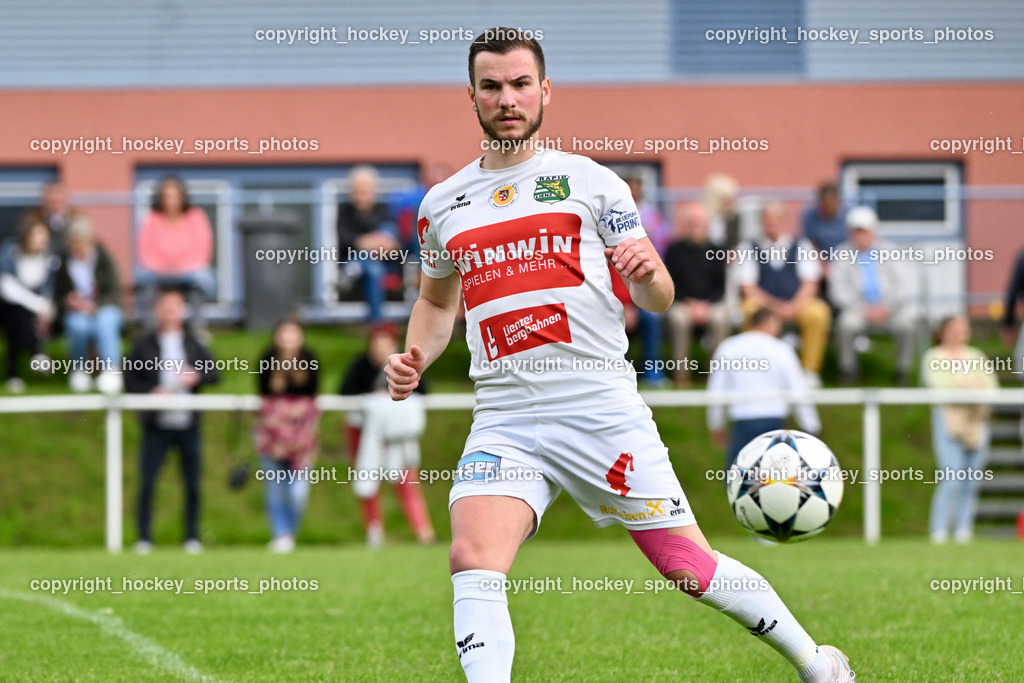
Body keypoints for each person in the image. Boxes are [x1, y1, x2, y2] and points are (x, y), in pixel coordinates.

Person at [385, 28, 852, 683]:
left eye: (521, 84)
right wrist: (414, 354)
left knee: (687, 567)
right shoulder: (442, 206)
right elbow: (436, 305)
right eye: (492, 86)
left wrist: (647, 272)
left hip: (601, 408)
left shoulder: (591, 183)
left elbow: (658, 297)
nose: (507, 98)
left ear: (545, 91)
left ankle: (819, 663)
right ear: (473, 97)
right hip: (506, 416)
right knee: (472, 556)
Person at [124, 288, 220, 554]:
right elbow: (129, 379)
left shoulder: (192, 342)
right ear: (157, 311)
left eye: (175, 308)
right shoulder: (144, 344)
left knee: (192, 484)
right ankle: (143, 537)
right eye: (165, 308)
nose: (170, 313)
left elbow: (215, 373)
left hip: (188, 425)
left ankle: (192, 536)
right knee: (148, 483)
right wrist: (151, 394)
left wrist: (197, 375)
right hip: (156, 425)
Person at [341, 322, 435, 547]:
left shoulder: (403, 364)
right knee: (368, 479)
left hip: (397, 437)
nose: (380, 346)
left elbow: (423, 389)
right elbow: (345, 391)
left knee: (406, 482)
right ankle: (374, 532)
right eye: (376, 341)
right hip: (364, 434)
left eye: (385, 341)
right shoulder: (360, 366)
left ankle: (424, 532)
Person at [707, 308, 821, 469]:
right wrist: (811, 426)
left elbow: (716, 389)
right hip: (774, 423)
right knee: (776, 481)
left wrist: (716, 423)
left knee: (738, 481)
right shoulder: (781, 349)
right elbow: (797, 390)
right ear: (768, 321)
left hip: (742, 422)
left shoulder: (729, 347)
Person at [736, 201, 832, 388]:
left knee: (818, 313)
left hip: (797, 304)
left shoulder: (802, 245)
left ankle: (809, 371)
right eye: (766, 219)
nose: (771, 224)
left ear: (785, 221)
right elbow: (748, 287)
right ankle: (754, 368)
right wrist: (774, 306)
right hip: (764, 304)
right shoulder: (748, 247)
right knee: (748, 310)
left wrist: (794, 306)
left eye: (775, 219)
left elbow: (810, 283)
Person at [920, 315, 997, 544]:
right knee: (951, 476)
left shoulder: (976, 355)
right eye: (955, 328)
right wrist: (969, 384)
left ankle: (964, 529)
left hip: (976, 421)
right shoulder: (934, 356)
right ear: (943, 331)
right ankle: (939, 529)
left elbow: (991, 387)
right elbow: (939, 385)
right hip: (948, 421)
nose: (960, 332)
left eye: (964, 328)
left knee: (971, 479)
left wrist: (966, 387)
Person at [829, 206, 918, 385]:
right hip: (858, 309)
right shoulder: (841, 254)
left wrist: (885, 307)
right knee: (846, 324)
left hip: (889, 308)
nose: (860, 236)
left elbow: (903, 286)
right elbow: (837, 291)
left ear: (874, 230)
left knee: (907, 324)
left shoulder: (891, 251)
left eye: (864, 231)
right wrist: (863, 309)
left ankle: (902, 370)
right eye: (856, 231)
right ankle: (848, 370)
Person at [255, 319, 320, 553]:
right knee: (275, 488)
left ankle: (290, 531)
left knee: (297, 491)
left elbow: (312, 392)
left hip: (302, 437)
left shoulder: (310, 359)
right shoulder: (266, 359)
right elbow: (265, 392)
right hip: (271, 436)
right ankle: (281, 534)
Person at [53, 213, 124, 393]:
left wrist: (95, 306)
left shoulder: (103, 257)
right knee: (77, 325)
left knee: (105, 320)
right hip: (77, 312)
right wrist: (69, 301)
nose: (78, 247)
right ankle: (79, 369)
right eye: (74, 243)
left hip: (103, 308)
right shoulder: (64, 262)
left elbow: (114, 292)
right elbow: (58, 295)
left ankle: (111, 370)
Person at [664, 202, 731, 387]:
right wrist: (690, 303)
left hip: (710, 304)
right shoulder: (674, 250)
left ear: (707, 225)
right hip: (682, 303)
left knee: (720, 318)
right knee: (678, 319)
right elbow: (669, 284)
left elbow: (721, 288)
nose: (696, 227)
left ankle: (714, 376)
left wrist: (705, 305)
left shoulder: (717, 250)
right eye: (692, 222)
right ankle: (681, 376)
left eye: (699, 222)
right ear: (685, 225)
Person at [135, 176, 215, 329]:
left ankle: (197, 329)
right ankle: (149, 331)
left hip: (188, 272)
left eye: (174, 196)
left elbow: (202, 250)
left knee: (204, 279)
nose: (170, 200)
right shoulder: (151, 219)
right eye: (166, 196)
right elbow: (145, 252)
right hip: (158, 272)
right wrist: (161, 266)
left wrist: (182, 267)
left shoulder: (196, 217)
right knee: (142, 279)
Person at [0, 214, 57, 393]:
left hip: (35, 311)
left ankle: (15, 373)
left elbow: (49, 288)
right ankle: (35, 352)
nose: (43, 241)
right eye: (38, 235)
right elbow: (8, 288)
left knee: (23, 317)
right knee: (17, 314)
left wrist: (46, 308)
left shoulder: (49, 259)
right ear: (27, 236)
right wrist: (38, 305)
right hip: (7, 307)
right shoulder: (9, 252)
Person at [336, 166, 400, 322]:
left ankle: (356, 266)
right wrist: (365, 242)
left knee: (388, 229)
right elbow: (344, 238)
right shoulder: (345, 212)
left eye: (366, 190)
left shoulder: (383, 209)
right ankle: (377, 324)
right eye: (358, 190)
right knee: (373, 268)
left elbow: (393, 243)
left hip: (385, 261)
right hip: (355, 260)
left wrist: (374, 244)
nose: (362, 195)